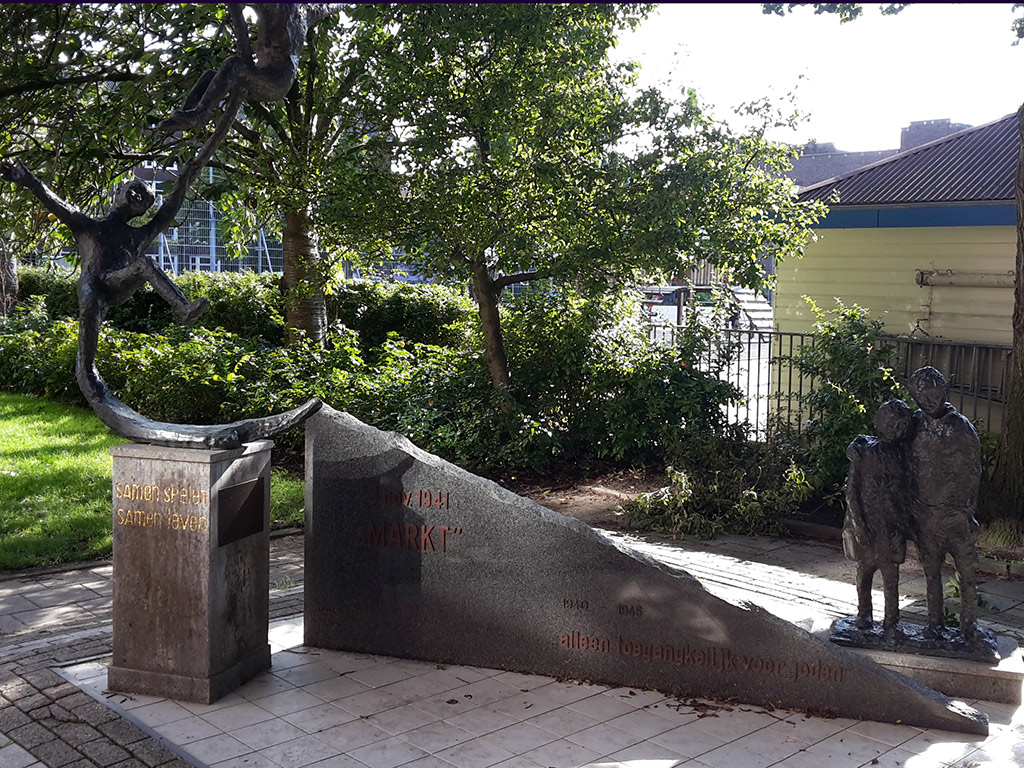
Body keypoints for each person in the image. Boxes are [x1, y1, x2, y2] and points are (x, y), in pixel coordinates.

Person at [906, 366, 983, 639]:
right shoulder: (914, 425)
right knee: (931, 572)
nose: (929, 401)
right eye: (922, 397)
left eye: (933, 394)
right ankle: (934, 623)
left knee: (967, 572)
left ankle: (969, 626)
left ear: (944, 390)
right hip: (925, 515)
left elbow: (973, 471)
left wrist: (968, 510)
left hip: (956, 516)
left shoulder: (960, 428)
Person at [843, 399, 914, 635]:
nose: (895, 430)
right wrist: (859, 525)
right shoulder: (863, 452)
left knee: (891, 577)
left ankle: (892, 620)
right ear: (880, 422)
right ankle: (864, 614)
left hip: (891, 528)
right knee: (864, 573)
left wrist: (905, 525)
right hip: (867, 525)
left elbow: (907, 492)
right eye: (891, 424)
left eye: (901, 427)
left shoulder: (903, 455)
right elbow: (852, 492)